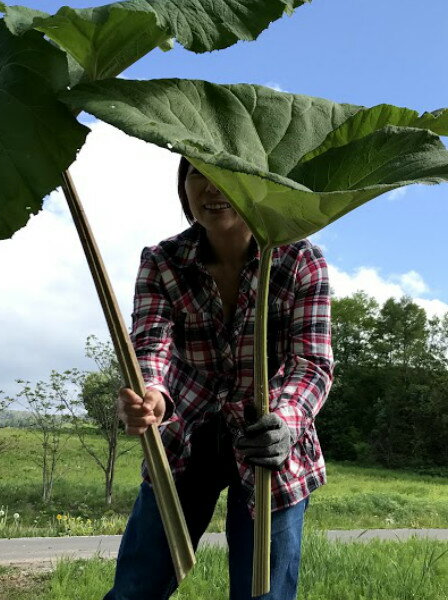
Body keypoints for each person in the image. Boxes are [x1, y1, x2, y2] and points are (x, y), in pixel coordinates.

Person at [103, 157, 333, 600]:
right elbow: (152, 342)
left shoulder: (301, 259)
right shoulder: (162, 260)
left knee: (262, 594)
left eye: (227, 177)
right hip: (187, 433)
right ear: (183, 188)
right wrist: (151, 394)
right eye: (196, 176)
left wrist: (284, 420)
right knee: (135, 588)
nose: (211, 189)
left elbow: (312, 362)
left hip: (268, 439)